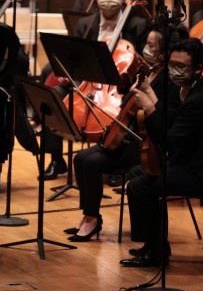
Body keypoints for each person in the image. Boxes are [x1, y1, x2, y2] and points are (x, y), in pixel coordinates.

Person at [64, 27, 179, 242]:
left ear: (164, 52)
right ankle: (89, 215)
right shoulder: (147, 70)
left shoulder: (167, 80)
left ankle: (92, 220)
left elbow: (161, 114)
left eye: (151, 45)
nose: (145, 48)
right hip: (129, 136)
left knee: (90, 163)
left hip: (145, 144)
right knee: (80, 158)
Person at [40, 0, 151, 180]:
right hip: (88, 84)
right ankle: (56, 159)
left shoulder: (138, 24)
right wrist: (69, 75)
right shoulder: (86, 23)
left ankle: (118, 163)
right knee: (54, 96)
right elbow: (76, 57)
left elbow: (145, 62)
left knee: (128, 108)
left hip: (122, 87)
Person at [121, 38, 203, 267]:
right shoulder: (186, 89)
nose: (174, 71)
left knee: (139, 187)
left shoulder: (200, 99)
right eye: (171, 65)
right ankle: (155, 245)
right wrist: (151, 94)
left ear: (197, 69)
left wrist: (147, 106)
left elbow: (169, 140)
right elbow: (172, 122)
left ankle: (155, 254)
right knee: (137, 173)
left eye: (181, 67)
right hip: (187, 163)